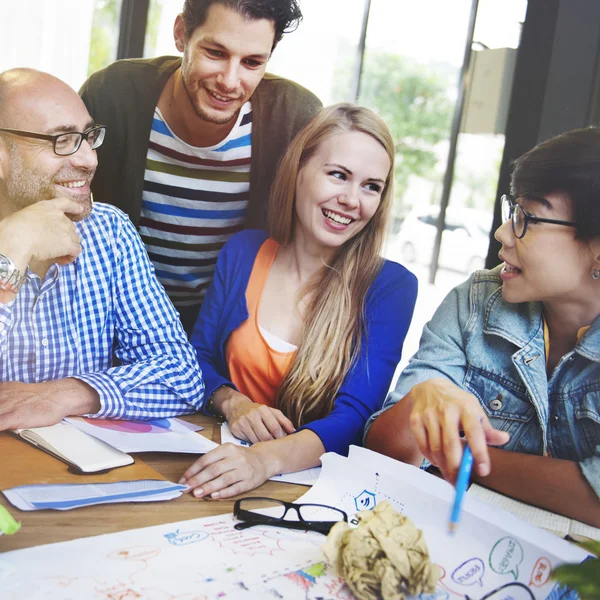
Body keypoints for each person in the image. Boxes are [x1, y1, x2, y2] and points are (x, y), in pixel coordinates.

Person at [179, 104, 418, 498]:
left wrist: (264, 459)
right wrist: (234, 403)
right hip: (220, 463)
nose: (352, 200)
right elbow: (197, 359)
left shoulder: (390, 286)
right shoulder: (243, 251)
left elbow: (355, 418)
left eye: (371, 186)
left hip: (305, 491)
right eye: (338, 175)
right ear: (299, 170)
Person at [366, 127, 600, 527]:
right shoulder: (474, 302)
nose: (502, 234)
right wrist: (424, 396)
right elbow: (384, 451)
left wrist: (466, 458)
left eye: (527, 218)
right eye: (514, 211)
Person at [80, 0, 322, 333]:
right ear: (181, 35)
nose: (229, 80)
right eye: (216, 53)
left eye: (252, 62)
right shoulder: (112, 95)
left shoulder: (295, 118)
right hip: (112, 316)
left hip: (226, 330)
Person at [0, 68, 205, 431]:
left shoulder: (109, 232)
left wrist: (63, 395)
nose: (89, 160)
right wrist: (12, 250)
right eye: (61, 140)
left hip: (79, 474)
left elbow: (183, 377)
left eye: (88, 137)